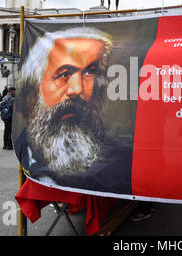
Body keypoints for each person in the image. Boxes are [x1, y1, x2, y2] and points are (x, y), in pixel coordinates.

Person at [14, 27, 123, 187]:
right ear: (33, 92)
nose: (77, 89)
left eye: (89, 73)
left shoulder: (120, 156)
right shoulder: (24, 149)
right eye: (64, 74)